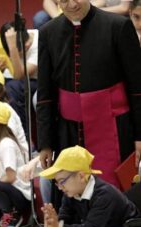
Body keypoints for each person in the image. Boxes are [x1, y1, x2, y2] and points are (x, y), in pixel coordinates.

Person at [37, 0, 141, 190]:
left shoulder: (118, 26)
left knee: (117, 194)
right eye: (64, 0)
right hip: (68, 132)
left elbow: (137, 86)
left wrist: (140, 135)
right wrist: (45, 143)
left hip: (116, 127)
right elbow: (45, 95)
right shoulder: (47, 32)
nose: (71, 5)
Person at [0, 22, 39, 133]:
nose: (26, 46)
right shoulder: (7, 42)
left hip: (40, 81)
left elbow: (19, 75)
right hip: (21, 81)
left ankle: (23, 135)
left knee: (12, 87)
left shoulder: (38, 40)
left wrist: (13, 48)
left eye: (27, 43)